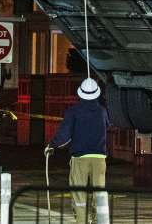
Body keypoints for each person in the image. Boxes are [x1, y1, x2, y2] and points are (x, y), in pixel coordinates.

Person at [46, 78, 109, 224]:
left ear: (80, 94)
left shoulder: (73, 111)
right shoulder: (102, 111)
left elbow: (64, 134)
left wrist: (51, 145)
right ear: (96, 94)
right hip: (100, 158)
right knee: (99, 193)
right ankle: (98, 220)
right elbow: (107, 127)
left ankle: (81, 221)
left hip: (80, 158)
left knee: (79, 194)